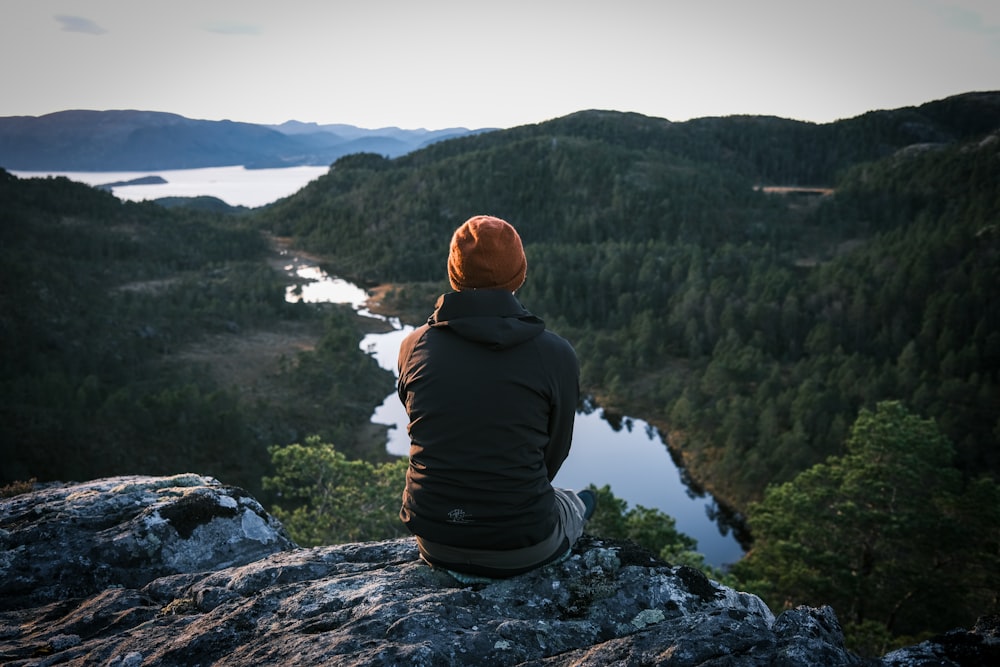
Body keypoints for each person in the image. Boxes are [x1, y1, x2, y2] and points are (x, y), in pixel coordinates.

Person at [397, 214, 595, 580]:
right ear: (519, 274)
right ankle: (578, 505)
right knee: (576, 501)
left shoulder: (413, 346)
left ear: (455, 274)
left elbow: (426, 427)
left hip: (434, 537)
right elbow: (555, 451)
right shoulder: (556, 354)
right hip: (522, 544)